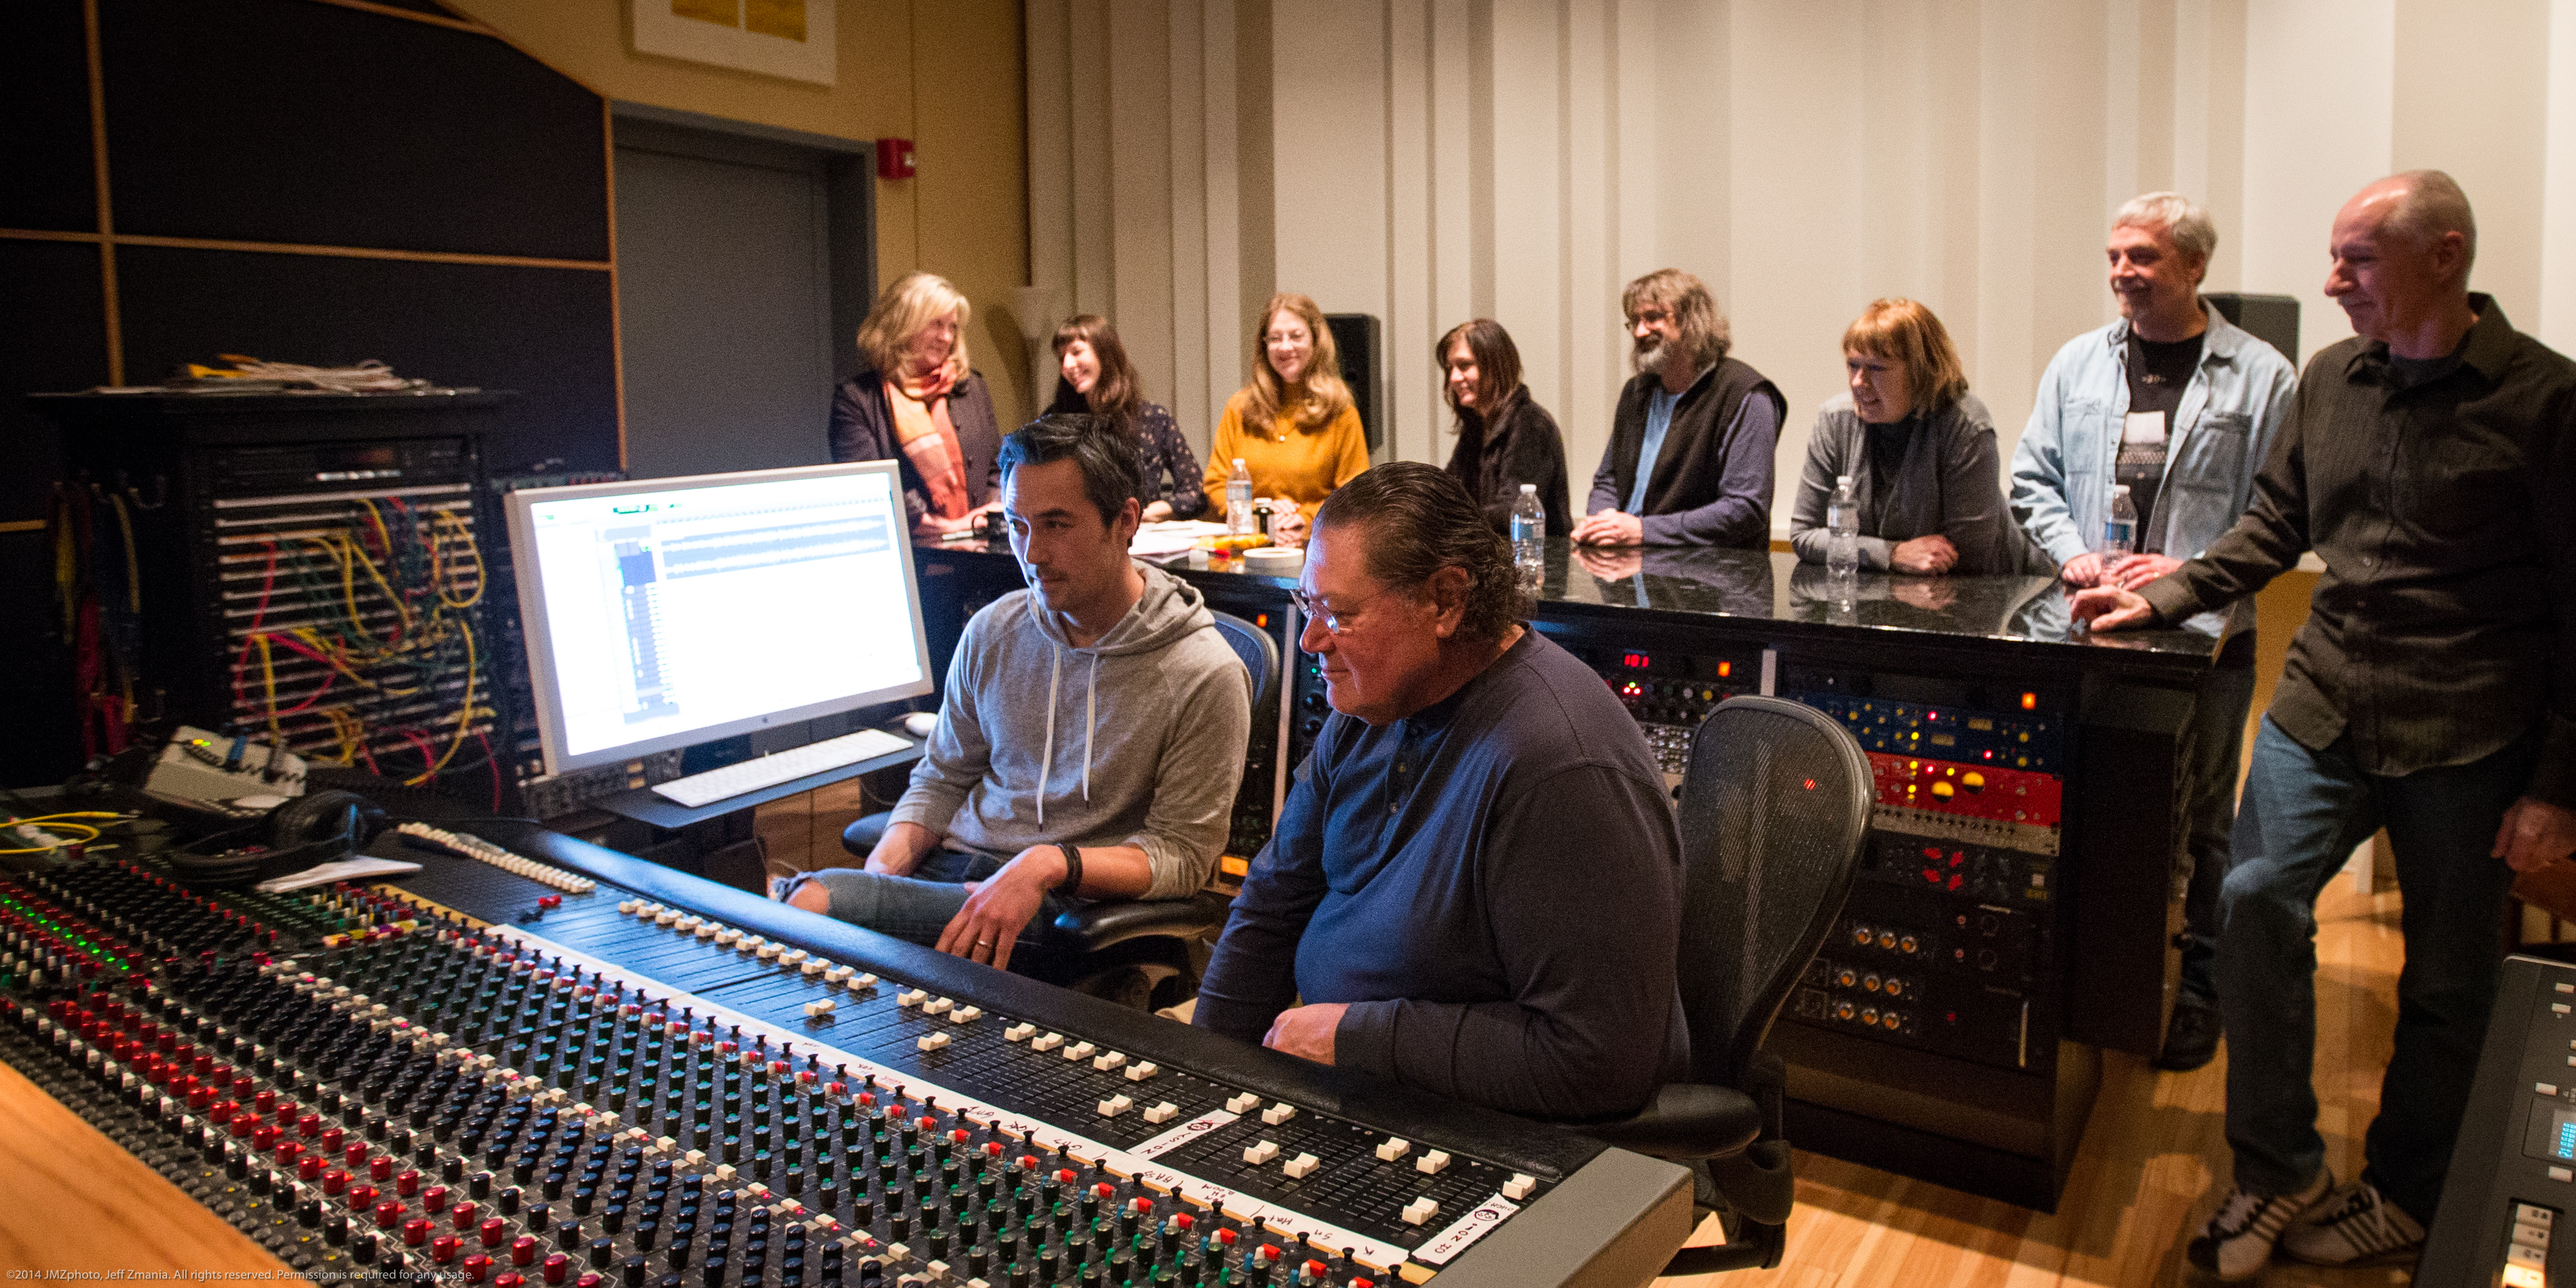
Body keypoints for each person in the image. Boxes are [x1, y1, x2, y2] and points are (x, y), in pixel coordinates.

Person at [2072, 171, 2576, 1279]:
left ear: (2444, 256)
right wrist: (2165, 596)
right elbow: (2274, 523)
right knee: (2254, 897)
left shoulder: (2548, 402)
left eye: (2357, 260)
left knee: (2446, 979)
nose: (2332, 280)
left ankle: (2403, 1193)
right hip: (2321, 704)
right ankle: (2278, 1168)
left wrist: (2554, 787)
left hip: (2469, 731)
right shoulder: (2330, 378)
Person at [1193, 461, 1688, 1120]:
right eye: (1308, 606)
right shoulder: (1370, 704)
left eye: (1339, 613)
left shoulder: (1560, 768)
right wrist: (1200, 1077)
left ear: (1447, 602)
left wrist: (1356, 1036)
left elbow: (1598, 1062)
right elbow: (1272, 907)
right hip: (1356, 1079)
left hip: (1476, 1124)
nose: (1311, 640)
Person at [782, 414, 1251, 971]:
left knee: (811, 903)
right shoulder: (994, 629)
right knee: (815, 906)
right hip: (957, 868)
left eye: (1056, 524)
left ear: (1125, 520)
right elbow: (942, 778)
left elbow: (1183, 857)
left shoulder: (1204, 670)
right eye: (1017, 525)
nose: (1031, 553)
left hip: (1067, 902)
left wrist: (1048, 863)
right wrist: (881, 877)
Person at [2010, 192, 2298, 1076]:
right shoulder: (2077, 362)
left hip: (2204, 636)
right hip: (2090, 630)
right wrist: (2072, 554)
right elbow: (2031, 479)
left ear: (2194, 266)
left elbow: (2280, 513)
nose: (2122, 272)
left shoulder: (2262, 376)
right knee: (2092, 810)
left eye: (2141, 256)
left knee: (2202, 823)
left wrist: (2189, 571)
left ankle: (2199, 987)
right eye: (2114, 256)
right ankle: (2099, 983)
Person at [1788, 298, 2022, 575]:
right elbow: (1804, 534)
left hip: (2001, 589)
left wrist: (1855, 548)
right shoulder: (1835, 420)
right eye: (1853, 365)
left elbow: (1967, 556)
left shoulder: (1966, 424)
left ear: (1920, 372)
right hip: (1894, 589)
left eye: (1876, 368)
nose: (1858, 381)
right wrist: (1890, 553)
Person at [1574, 269, 1784, 548]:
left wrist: (1643, 530)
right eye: (1634, 321)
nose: (1639, 332)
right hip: (1627, 559)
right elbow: (1609, 480)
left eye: (1653, 318)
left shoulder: (1747, 394)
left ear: (1692, 319)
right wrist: (1602, 522)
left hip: (1707, 571)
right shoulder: (1636, 392)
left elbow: (1745, 508)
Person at [829, 272, 1005, 538]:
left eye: (952, 327)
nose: (946, 337)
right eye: (936, 324)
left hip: (983, 546)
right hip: (913, 550)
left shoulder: (972, 387)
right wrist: (943, 527)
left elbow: (996, 466)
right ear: (902, 324)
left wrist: (989, 513)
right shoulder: (858, 398)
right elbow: (869, 487)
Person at [1202, 293, 1372, 547]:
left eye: (1295, 336)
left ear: (1316, 341)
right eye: (1275, 338)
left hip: (1316, 547)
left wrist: (1303, 515)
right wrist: (1260, 512)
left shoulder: (1341, 413)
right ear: (1264, 346)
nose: (1285, 347)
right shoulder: (1239, 407)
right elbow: (1216, 483)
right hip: (1249, 546)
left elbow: (1354, 494)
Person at [1042, 314, 1205, 522]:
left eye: (1076, 352)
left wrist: (1144, 513)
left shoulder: (1153, 419)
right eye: (1061, 358)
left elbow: (1195, 492)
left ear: (1105, 352)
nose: (1067, 365)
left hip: (1141, 537)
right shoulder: (1055, 420)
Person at [1437, 318, 1570, 535]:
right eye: (1450, 368)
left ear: (1495, 366)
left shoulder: (1531, 424)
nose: (1453, 378)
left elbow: (1513, 509)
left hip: (1536, 553)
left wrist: (1450, 518)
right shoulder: (1476, 427)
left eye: (1464, 366)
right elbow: (1448, 490)